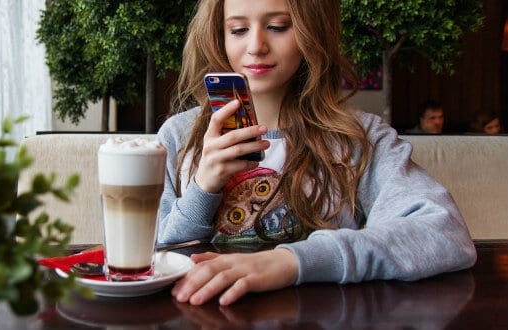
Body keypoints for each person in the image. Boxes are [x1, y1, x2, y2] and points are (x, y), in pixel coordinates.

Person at [155, 0, 476, 306]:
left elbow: (446, 233)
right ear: (218, 35)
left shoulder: (357, 139)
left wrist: (291, 261)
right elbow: (146, 256)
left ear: (313, 30)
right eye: (238, 30)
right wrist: (202, 190)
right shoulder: (179, 136)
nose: (256, 46)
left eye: (279, 26)